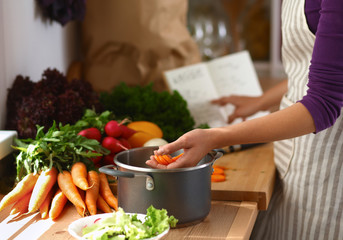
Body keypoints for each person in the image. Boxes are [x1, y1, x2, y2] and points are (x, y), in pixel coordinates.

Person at [146, 0, 343, 239]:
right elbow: (322, 69)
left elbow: (324, 103)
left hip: (326, 164)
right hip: (293, 155)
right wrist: (260, 101)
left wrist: (216, 137)